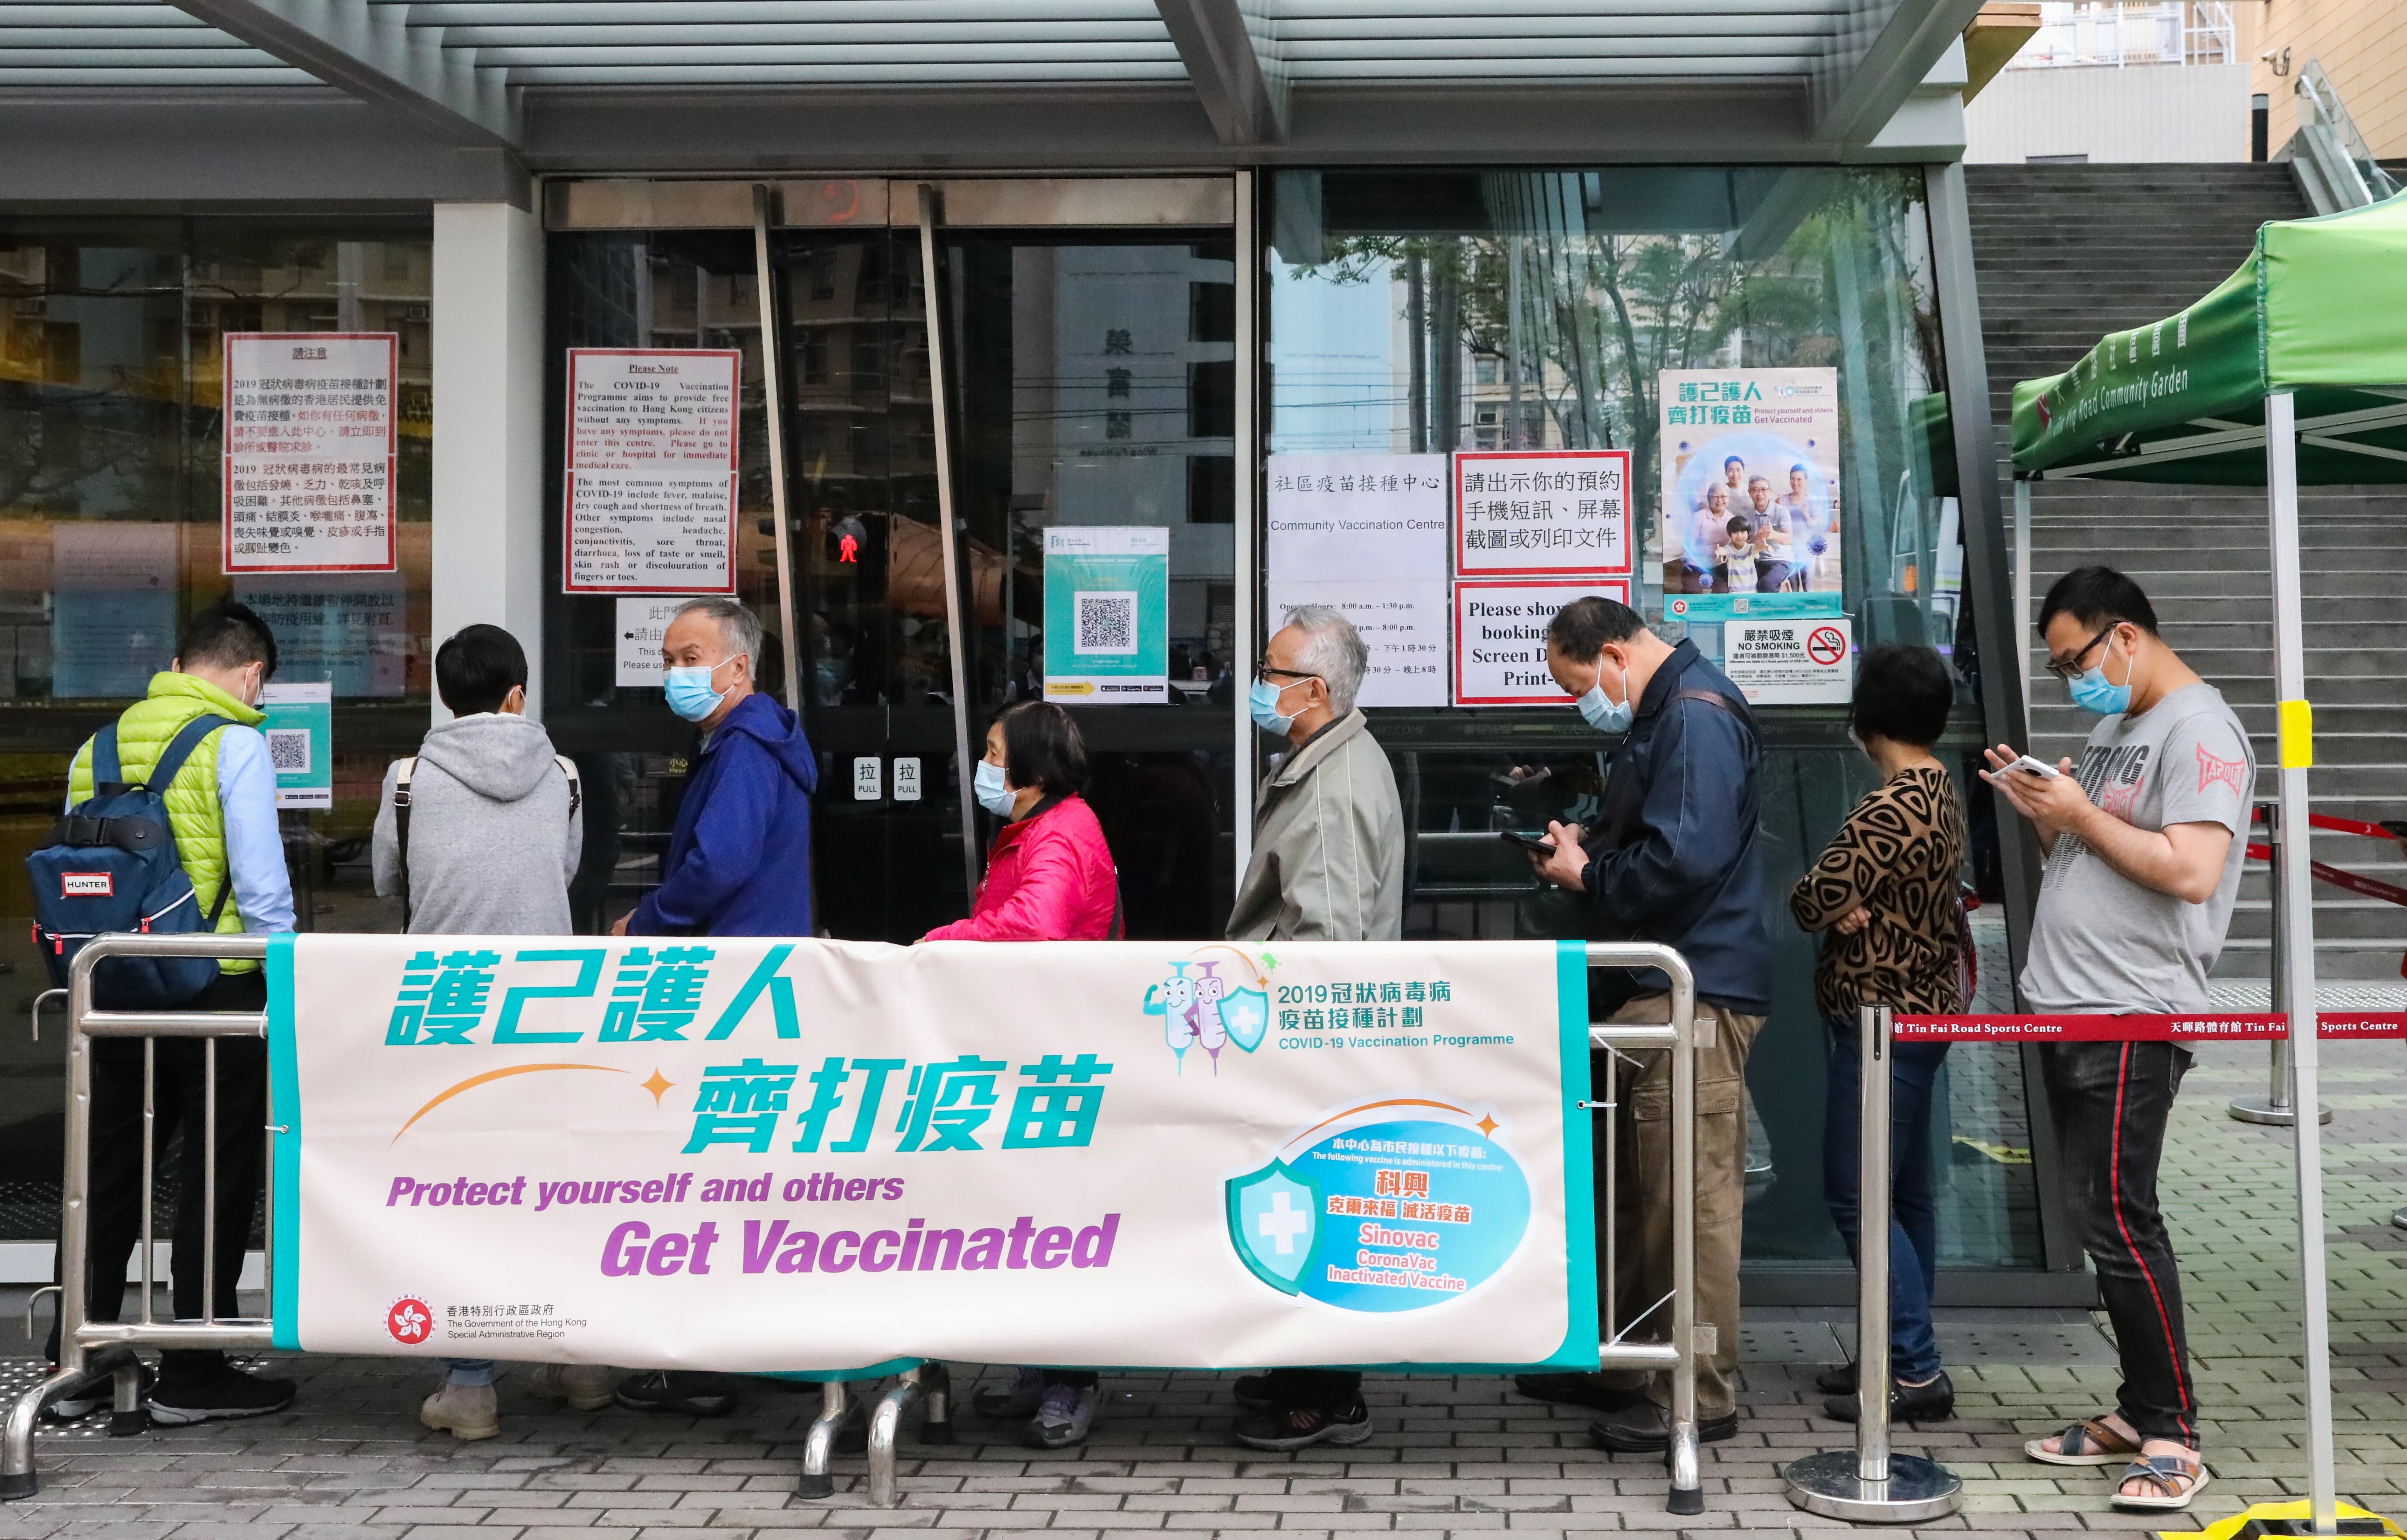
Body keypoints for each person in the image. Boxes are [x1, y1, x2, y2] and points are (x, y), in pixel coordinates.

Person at [1982, 566, 2251, 1512]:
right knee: (2100, 1217)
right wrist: (2049, 812)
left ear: (2125, 638)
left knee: (2119, 1217)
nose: (2070, 682)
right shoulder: (2115, 728)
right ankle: (2139, 1410)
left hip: (2130, 1010)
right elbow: (2102, 852)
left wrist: (2079, 814)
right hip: (2074, 1002)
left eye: (2074, 661)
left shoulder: (2199, 729)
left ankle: (2173, 1431)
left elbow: (2189, 868)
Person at [1516, 595, 1767, 1454]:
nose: (1583, 702)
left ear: (1616, 657)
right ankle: (1627, 1362)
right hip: (1658, 989)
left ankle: (1693, 1392)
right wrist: (1590, 845)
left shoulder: (1694, 718)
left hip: (1692, 991)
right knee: (1637, 1193)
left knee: (1682, 1200)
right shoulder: (1671, 713)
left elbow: (1683, 859)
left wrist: (1591, 874)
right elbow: (1666, 843)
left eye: (1579, 684)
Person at [49, 601, 297, 1425]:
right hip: (215, 983)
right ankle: (192, 1373)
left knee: (106, 1170)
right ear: (253, 673)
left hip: (114, 982)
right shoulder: (237, 744)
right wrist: (286, 969)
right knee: (217, 1171)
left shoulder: (99, 745)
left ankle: (78, 1361)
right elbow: (262, 885)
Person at [372, 624, 609, 1440]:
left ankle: (470, 1387)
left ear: (445, 696)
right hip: (549, 1008)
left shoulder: (407, 778)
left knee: (464, 1193)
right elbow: (564, 872)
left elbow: (385, 878)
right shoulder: (565, 774)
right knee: (557, 1185)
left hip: (445, 1011)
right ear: (518, 694)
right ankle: (581, 1362)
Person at [612, 597, 817, 1417]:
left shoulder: (742, 750)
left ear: (739, 666)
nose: (675, 674)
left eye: (690, 656)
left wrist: (650, 919)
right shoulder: (758, 742)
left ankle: (701, 1367)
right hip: (758, 982)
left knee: (711, 1183)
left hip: (729, 985)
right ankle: (749, 1349)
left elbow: (720, 863)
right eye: (666, 659)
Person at [1224, 605, 1403, 1450]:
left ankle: (1324, 1392)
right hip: (1318, 1039)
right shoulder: (1329, 762)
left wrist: (1288, 1047)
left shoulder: (1329, 784)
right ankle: (1307, 1372)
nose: (1258, 684)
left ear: (1315, 690)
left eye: (1272, 671)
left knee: (1313, 1207)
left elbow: (1324, 940)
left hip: (1312, 1041)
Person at [928, 702, 1118, 1447]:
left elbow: (1035, 926)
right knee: (1032, 1213)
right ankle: (1044, 1370)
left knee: (1059, 1215)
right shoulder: (1040, 829)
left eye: (994, 751)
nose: (983, 762)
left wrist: (939, 940)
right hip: (1033, 1042)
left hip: (1059, 1049)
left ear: (1034, 772)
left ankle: (1072, 1380)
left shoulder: (1062, 834)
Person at [1788, 644, 1967, 1426]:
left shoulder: (1890, 805)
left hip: (1878, 1020)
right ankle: (1898, 1350)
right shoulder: (1941, 789)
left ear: (1869, 719)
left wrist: (1831, 903)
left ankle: (1916, 1367)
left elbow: (1810, 894)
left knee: (1857, 1192)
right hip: (1922, 1013)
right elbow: (1847, 892)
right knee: (1906, 1195)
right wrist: (1844, 901)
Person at [1743, 475, 1793, 590]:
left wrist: (1773, 534)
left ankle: (1772, 608)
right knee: (1742, 582)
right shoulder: (1747, 515)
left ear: (1770, 492)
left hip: (1781, 560)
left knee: (1766, 585)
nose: (1760, 494)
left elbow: (1789, 539)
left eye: (1764, 490)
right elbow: (1743, 545)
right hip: (1757, 560)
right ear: (1750, 493)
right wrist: (1757, 538)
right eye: (1755, 490)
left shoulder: (1781, 511)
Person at [1714, 514, 1756, 596]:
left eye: (1743, 532)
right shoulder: (1729, 549)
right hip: (1734, 590)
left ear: (1748, 533)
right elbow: (1725, 551)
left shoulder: (1750, 548)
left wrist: (1764, 546)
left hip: (1752, 590)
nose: (1739, 536)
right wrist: (1719, 552)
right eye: (1735, 533)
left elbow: (1757, 549)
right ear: (1730, 534)